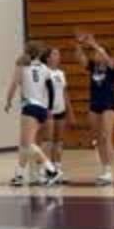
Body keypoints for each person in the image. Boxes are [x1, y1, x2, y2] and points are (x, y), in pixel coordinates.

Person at [6, 42, 62, 187]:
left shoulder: (22, 66)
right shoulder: (44, 68)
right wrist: (49, 108)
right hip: (41, 108)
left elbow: (14, 84)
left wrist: (8, 101)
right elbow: (51, 89)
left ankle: (51, 170)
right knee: (24, 143)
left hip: (29, 107)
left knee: (28, 144)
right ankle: (19, 175)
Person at [76, 32, 114, 186]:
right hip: (95, 104)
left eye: (100, 52)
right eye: (95, 53)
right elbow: (80, 58)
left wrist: (94, 44)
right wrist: (80, 44)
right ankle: (104, 169)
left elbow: (109, 61)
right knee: (98, 138)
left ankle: (110, 171)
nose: (96, 55)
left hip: (109, 104)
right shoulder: (93, 67)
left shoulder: (112, 66)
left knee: (107, 136)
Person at [45, 46, 72, 179]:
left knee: (59, 141)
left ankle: (58, 167)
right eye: (55, 54)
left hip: (61, 110)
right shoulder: (45, 72)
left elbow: (64, 93)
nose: (58, 57)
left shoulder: (61, 73)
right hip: (49, 111)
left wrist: (70, 111)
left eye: (59, 54)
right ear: (48, 58)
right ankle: (48, 169)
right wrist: (46, 108)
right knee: (49, 141)